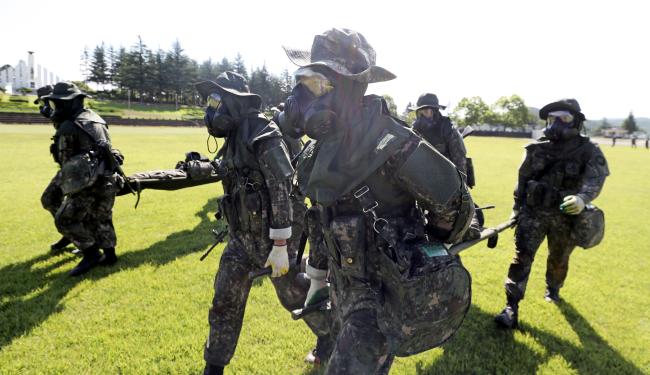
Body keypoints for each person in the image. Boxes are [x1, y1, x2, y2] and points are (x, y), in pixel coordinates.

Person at [281, 28, 474, 373]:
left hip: (384, 292)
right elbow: (322, 216)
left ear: (348, 86)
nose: (302, 96)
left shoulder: (393, 142)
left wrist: (417, 247)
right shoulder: (319, 149)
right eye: (302, 82)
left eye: (314, 83)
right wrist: (317, 278)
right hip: (344, 285)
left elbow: (456, 207)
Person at [195, 72, 330, 375]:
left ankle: (331, 336)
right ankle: (213, 368)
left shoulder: (262, 132)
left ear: (234, 100)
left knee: (294, 296)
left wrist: (281, 245)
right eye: (210, 101)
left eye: (216, 100)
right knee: (225, 298)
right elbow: (228, 172)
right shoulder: (233, 138)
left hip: (276, 239)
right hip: (242, 239)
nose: (211, 108)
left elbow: (282, 187)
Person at [495, 98, 609, 329]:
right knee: (521, 259)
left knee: (558, 259)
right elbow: (523, 179)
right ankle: (511, 308)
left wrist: (582, 198)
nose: (557, 123)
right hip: (533, 214)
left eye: (564, 118)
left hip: (565, 218)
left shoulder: (588, 150)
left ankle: (553, 288)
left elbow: (595, 178)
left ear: (576, 122)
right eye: (552, 118)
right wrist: (516, 208)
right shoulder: (536, 148)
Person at [42, 82, 125, 276]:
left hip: (86, 181)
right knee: (102, 216)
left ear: (69, 104)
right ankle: (109, 254)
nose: (57, 108)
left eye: (59, 105)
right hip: (107, 177)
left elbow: (65, 161)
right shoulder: (95, 118)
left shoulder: (69, 126)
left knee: (65, 219)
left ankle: (90, 252)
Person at [36, 84, 74, 253]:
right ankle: (71, 234)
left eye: (47, 103)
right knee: (51, 200)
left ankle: (84, 241)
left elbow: (68, 122)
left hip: (79, 167)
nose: (45, 107)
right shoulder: (58, 113)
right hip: (68, 166)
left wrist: (53, 115)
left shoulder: (69, 110)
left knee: (51, 199)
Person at [410, 93, 468, 177]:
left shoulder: (449, 130)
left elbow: (460, 163)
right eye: (420, 112)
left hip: (446, 178)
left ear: (434, 111)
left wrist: (461, 186)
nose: (422, 115)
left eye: (426, 111)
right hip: (421, 179)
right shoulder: (414, 131)